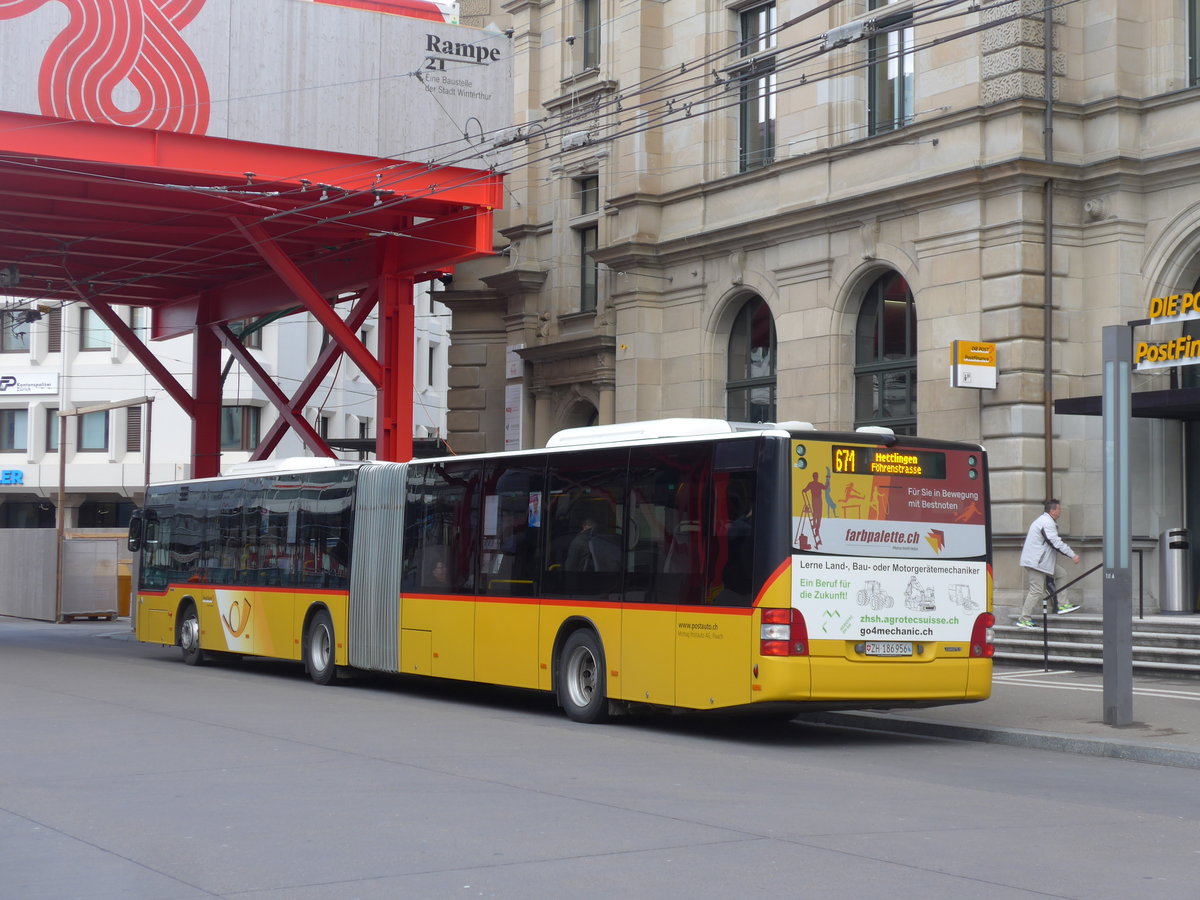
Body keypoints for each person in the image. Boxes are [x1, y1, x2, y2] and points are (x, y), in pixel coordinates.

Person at [1016, 499, 1081, 628]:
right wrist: (1072, 555)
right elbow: (1055, 542)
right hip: (1037, 562)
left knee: (1061, 574)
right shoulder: (1046, 522)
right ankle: (1024, 618)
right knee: (1036, 591)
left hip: (1040, 562)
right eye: (1059, 509)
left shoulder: (1045, 521)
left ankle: (1062, 605)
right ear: (1052, 510)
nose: (1060, 511)